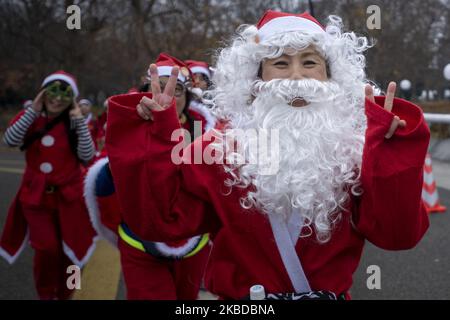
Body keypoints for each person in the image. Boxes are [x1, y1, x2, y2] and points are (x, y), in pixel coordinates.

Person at [106, 11, 430, 300]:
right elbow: (159, 221)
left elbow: (397, 235)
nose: (296, 77)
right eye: (279, 63)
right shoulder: (217, 150)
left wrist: (390, 151)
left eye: (309, 62)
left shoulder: (355, 150)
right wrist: (156, 134)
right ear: (256, 79)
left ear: (330, 75)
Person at [84, 53, 215, 300]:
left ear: (187, 97)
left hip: (193, 243)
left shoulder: (201, 130)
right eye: (159, 88)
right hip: (139, 241)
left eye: (176, 91)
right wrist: (123, 164)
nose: (167, 97)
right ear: (145, 92)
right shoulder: (128, 125)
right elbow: (103, 184)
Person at [0, 71, 98, 300]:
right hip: (36, 199)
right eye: (51, 92)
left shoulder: (76, 123)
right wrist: (32, 110)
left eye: (64, 94)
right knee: (46, 249)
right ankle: (45, 294)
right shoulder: (30, 118)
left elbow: (87, 155)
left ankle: (67, 293)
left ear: (71, 99)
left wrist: (78, 121)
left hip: (70, 199)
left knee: (73, 254)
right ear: (43, 93)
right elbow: (10, 140)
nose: (56, 99)